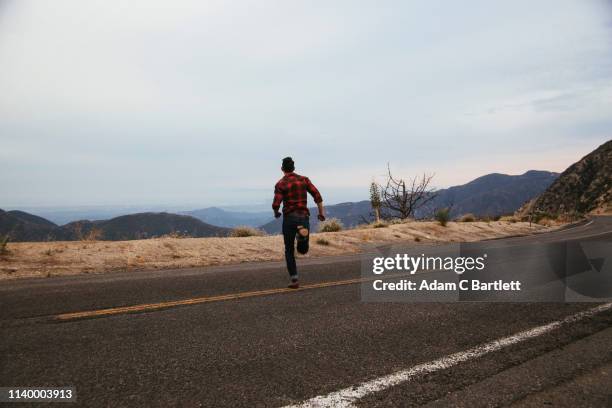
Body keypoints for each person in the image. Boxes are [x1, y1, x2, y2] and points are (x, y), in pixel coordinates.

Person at [272, 157, 326, 289]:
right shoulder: (304, 180)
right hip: (303, 217)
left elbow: (276, 204)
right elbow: (317, 196)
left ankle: (294, 279)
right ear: (293, 168)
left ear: (282, 169)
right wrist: (321, 213)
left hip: (290, 218)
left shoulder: (280, 184)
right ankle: (302, 238)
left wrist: (276, 213)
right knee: (303, 250)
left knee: (289, 250)